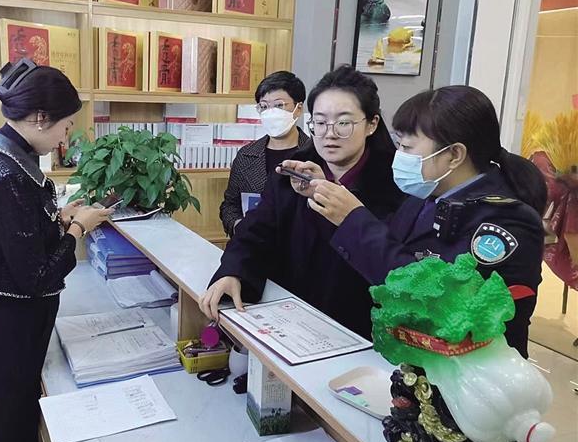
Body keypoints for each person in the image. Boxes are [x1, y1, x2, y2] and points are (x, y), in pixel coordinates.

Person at [0, 59, 113, 442]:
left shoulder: (3, 157)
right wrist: (79, 229)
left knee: (13, 435)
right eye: (65, 124)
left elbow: (15, 238)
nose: (66, 136)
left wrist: (58, 219)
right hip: (9, 333)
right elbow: (37, 276)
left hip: (3, 325)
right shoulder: (8, 176)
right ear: (41, 118)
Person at [302, 85, 547, 358]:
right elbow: (393, 244)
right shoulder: (428, 195)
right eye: (399, 145)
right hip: (413, 360)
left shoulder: (506, 222)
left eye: (407, 147)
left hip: (467, 370)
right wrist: (330, 198)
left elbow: (437, 302)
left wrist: (354, 220)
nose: (399, 156)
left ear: (454, 155)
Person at [200, 65, 405, 339]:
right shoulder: (295, 171)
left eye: (344, 123)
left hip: (360, 328)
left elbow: (395, 266)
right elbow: (256, 230)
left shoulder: (396, 185)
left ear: (372, 124)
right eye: (320, 122)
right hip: (292, 318)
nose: (329, 134)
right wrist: (233, 271)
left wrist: (347, 209)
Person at [219, 71, 309, 236]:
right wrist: (240, 227)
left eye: (279, 105)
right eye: (264, 106)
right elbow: (230, 206)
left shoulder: (315, 155)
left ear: (298, 109)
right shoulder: (246, 155)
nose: (271, 113)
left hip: (301, 247)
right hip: (253, 245)